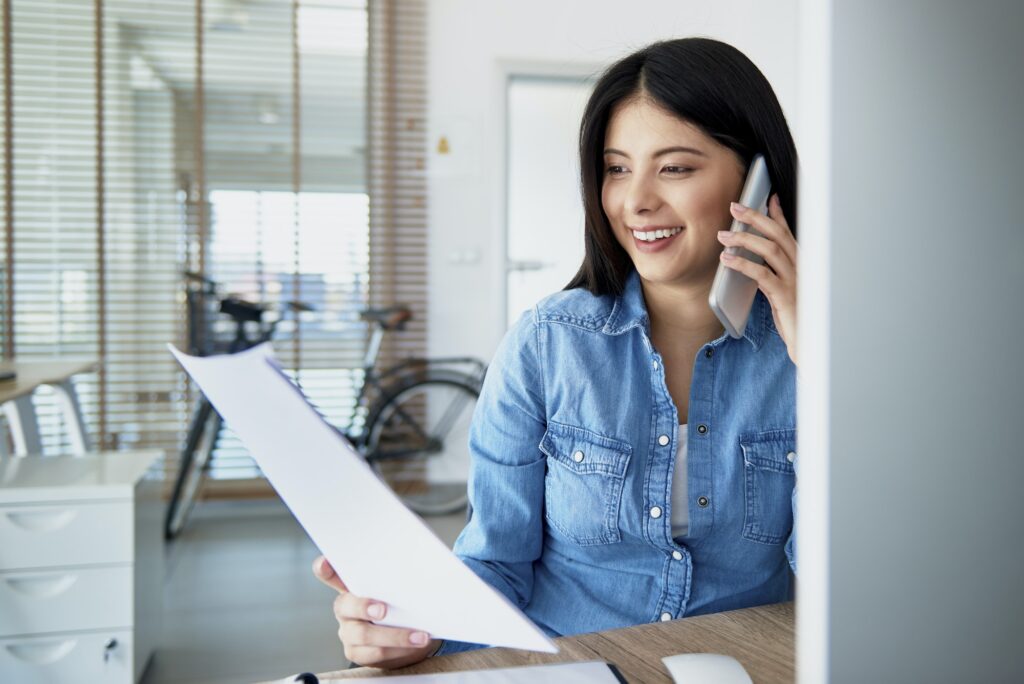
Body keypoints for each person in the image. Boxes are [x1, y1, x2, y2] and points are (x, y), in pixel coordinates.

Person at [313, 36, 800, 669]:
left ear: (758, 182)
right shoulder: (546, 344)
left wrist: (818, 359)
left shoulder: (815, 352)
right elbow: (495, 563)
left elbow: (846, 578)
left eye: (675, 168)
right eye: (617, 167)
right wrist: (418, 630)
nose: (635, 201)